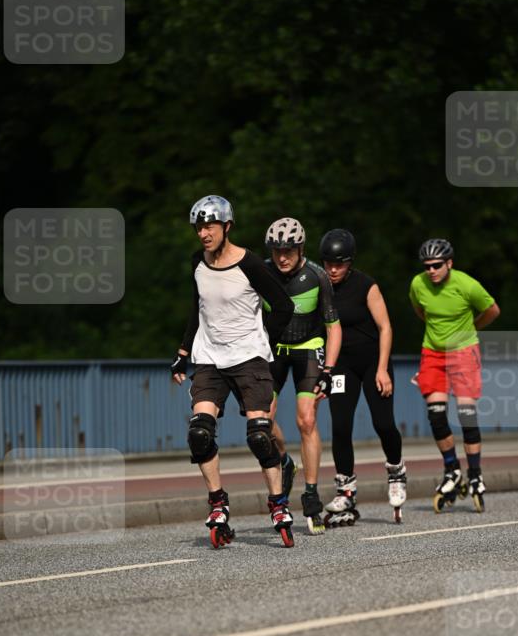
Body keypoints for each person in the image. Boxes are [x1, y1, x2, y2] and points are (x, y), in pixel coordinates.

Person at [170, 195, 296, 548]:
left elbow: (283, 307)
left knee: (258, 435)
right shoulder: (198, 263)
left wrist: (261, 339)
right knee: (199, 433)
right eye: (198, 227)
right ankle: (218, 504)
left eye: (209, 226)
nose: (203, 234)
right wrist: (183, 353)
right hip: (209, 358)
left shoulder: (252, 264)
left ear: (227, 227)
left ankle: (279, 504)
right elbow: (197, 310)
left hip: (249, 358)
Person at [319, 228, 406, 526]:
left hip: (372, 362)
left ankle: (396, 471)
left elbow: (386, 327)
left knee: (383, 423)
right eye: (328, 263)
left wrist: (382, 369)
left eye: (339, 264)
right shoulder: (321, 286)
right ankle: (346, 489)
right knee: (341, 426)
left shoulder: (366, 286)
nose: (333, 269)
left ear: (350, 262)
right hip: (341, 365)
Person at [409, 237, 500, 513]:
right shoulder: (418, 284)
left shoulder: (467, 285)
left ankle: (475, 474)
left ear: (449, 263)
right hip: (433, 353)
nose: (431, 270)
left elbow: (492, 310)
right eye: (427, 266)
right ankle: (452, 470)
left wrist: (469, 329)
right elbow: (420, 311)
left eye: (437, 265)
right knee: (436, 414)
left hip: (463, 351)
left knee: (466, 414)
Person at [264, 217, 342, 534]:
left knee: (306, 419)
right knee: (261, 422)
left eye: (289, 250)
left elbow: (333, 327)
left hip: (309, 349)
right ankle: (285, 463)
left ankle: (310, 494)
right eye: (276, 250)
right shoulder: (262, 272)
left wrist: (328, 370)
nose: (282, 257)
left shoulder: (317, 276)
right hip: (272, 351)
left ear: (300, 249)